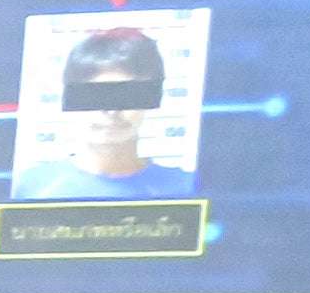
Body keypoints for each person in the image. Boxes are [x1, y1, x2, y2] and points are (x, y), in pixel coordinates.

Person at [17, 25, 193, 202]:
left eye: (128, 95)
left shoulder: (187, 187)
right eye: (96, 94)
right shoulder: (32, 187)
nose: (112, 111)